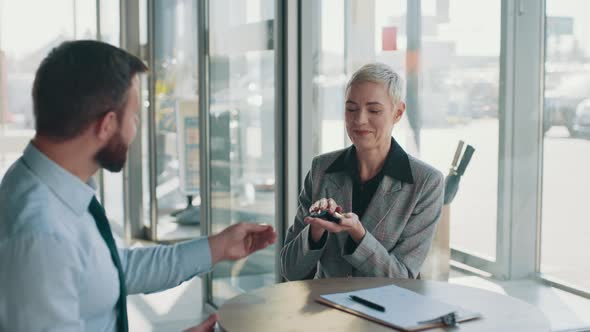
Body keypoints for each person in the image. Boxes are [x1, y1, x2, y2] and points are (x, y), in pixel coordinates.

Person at [0, 40, 277, 332]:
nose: (136, 130)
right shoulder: (41, 236)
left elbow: (112, 268)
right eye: (133, 117)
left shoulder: (49, 188)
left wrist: (217, 247)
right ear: (106, 125)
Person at [280, 63, 443, 280]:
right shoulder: (322, 169)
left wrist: (359, 234)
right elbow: (291, 271)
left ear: (398, 112)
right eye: (351, 109)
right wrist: (315, 231)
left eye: (374, 110)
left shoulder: (425, 183)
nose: (359, 120)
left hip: (385, 311)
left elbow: (403, 278)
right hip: (327, 309)